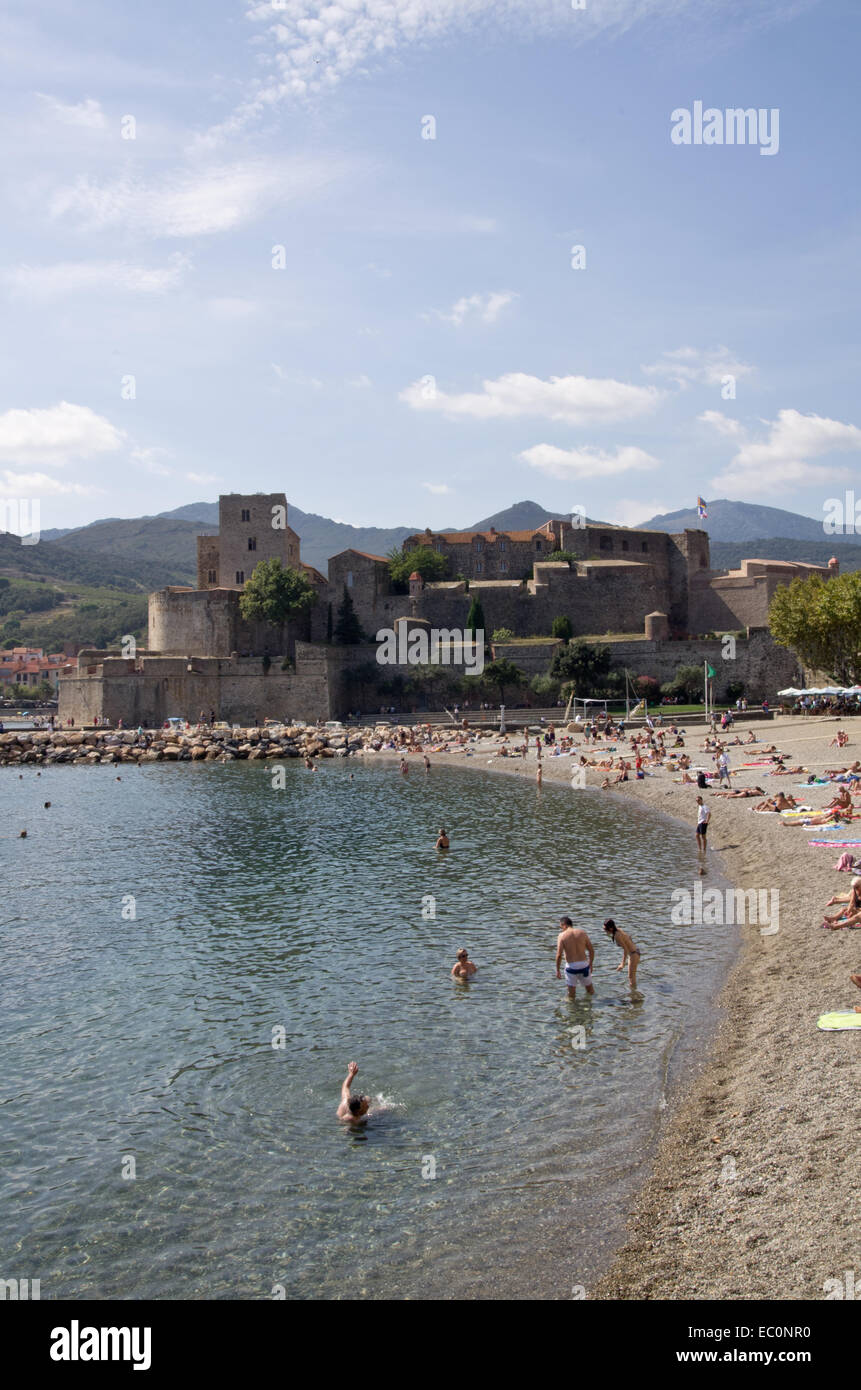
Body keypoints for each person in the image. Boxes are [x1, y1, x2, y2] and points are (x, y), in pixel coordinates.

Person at [555, 916, 595, 998]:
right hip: (584, 965)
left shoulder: (562, 936)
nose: (561, 929)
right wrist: (590, 964)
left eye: (561, 927)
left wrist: (558, 970)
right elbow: (591, 950)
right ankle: (591, 1007)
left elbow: (559, 955)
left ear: (564, 925)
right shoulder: (582, 933)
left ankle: (573, 1010)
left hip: (571, 967)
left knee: (571, 994)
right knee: (590, 991)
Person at [603, 918, 641, 990]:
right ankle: (634, 994)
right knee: (632, 977)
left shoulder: (617, 936)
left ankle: (634, 997)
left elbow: (625, 949)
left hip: (633, 954)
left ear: (610, 928)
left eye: (605, 928)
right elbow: (629, 938)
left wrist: (622, 964)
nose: (604, 930)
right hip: (635, 952)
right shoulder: (618, 930)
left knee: (631, 977)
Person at [695, 796, 710, 871]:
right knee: (697, 835)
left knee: (703, 837)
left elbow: (709, 814)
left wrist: (707, 821)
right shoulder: (700, 807)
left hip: (703, 823)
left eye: (698, 800)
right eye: (696, 801)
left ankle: (704, 849)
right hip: (699, 823)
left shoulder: (704, 806)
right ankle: (699, 848)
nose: (697, 802)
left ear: (701, 800)